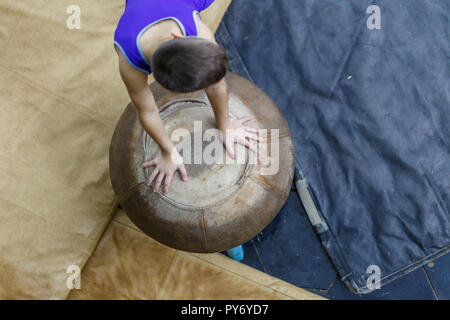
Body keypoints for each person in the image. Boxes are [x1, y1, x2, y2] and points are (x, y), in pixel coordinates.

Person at [114, 0, 261, 197]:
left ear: (179, 36)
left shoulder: (197, 31)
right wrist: (169, 152)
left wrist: (225, 124)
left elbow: (217, 86)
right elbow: (147, 110)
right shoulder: (128, 58)